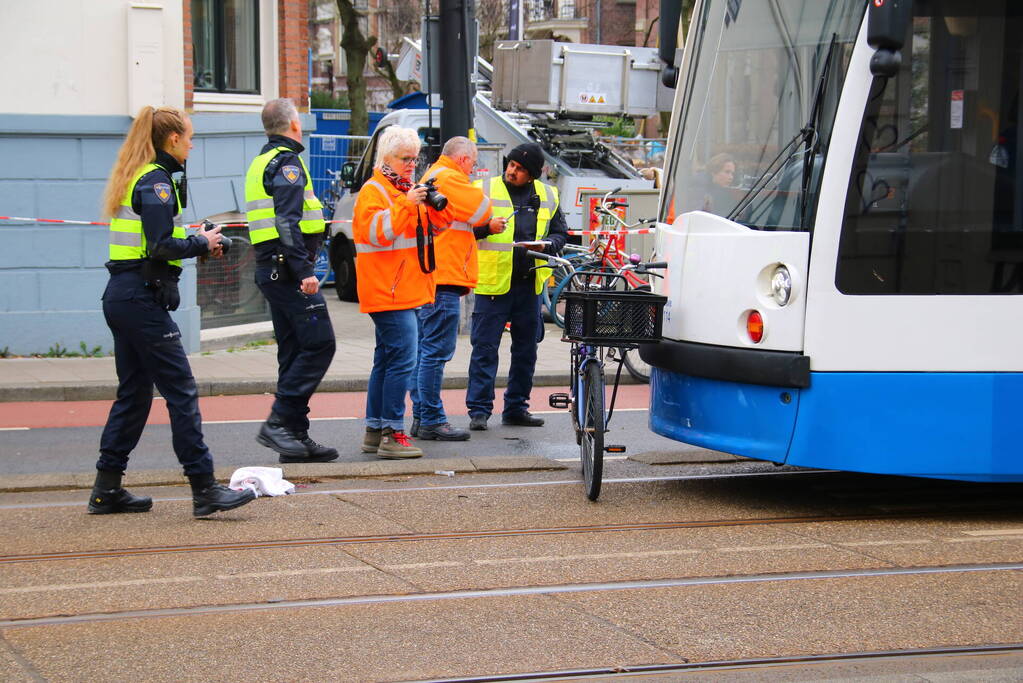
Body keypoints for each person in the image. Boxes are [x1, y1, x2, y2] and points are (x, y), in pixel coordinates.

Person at [91, 106, 255, 517]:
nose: (193, 144)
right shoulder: (157, 182)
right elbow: (161, 245)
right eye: (190, 137)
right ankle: (204, 489)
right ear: (172, 140)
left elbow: (158, 237)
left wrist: (197, 237)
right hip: (139, 300)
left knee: (133, 395)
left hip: (123, 297)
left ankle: (106, 489)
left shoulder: (141, 177)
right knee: (180, 390)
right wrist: (200, 244)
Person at [246, 98, 338, 464]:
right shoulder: (287, 162)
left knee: (295, 349)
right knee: (320, 343)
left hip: (273, 268)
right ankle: (279, 423)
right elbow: (287, 221)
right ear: (294, 124)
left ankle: (294, 436)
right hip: (287, 271)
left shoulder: (261, 160)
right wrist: (304, 273)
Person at [466, 142, 568, 431]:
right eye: (511, 164)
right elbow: (461, 230)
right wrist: (486, 228)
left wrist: (550, 244)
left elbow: (561, 232)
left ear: (533, 174)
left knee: (526, 350)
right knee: (485, 348)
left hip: (530, 283)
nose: (512, 171)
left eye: (520, 169)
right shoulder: (482, 190)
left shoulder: (548, 194)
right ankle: (479, 410)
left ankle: (516, 408)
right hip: (494, 283)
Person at [409, 136, 502, 441]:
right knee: (435, 353)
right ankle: (432, 418)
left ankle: (422, 417)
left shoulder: (433, 176)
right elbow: (483, 212)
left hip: (431, 276)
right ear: (463, 159)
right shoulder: (450, 177)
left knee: (425, 352)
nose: (473, 170)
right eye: (473, 164)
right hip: (444, 276)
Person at [353, 126, 437, 458]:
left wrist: (432, 204)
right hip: (388, 291)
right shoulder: (375, 191)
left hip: (400, 289)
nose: (411, 165)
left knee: (387, 360)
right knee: (403, 360)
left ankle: (375, 431)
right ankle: (392, 433)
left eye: (414, 159)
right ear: (386, 157)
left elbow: (430, 231)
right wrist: (407, 203)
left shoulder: (403, 189)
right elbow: (379, 233)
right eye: (405, 159)